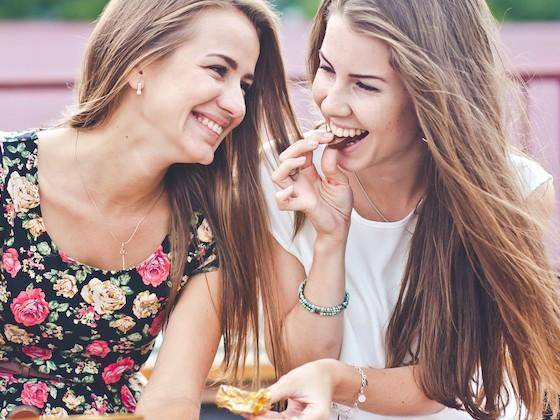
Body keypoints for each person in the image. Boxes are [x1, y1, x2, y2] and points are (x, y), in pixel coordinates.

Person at [259, 0, 560, 419]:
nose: (331, 104)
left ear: (430, 96)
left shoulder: (513, 192)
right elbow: (299, 366)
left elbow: (444, 382)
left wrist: (336, 379)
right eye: (327, 69)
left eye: (365, 85)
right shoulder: (284, 175)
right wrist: (330, 238)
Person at [0, 0, 300, 418]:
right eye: (218, 70)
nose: (237, 105)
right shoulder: (7, 176)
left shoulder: (206, 230)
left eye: (245, 85)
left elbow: (174, 399)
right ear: (138, 63)